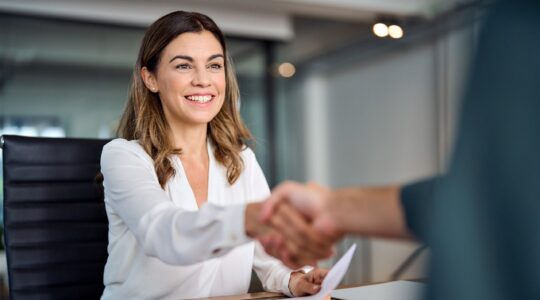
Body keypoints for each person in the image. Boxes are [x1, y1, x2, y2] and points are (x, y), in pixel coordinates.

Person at [261, 0, 540, 299]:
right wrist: (333, 207)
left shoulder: (520, 22)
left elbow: (486, 203)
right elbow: (486, 195)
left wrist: (332, 209)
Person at [99, 11, 331, 299]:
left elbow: (266, 253)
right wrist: (250, 218)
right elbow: (163, 234)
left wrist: (296, 279)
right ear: (151, 79)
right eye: (184, 66)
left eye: (214, 65)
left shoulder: (240, 159)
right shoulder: (124, 156)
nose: (203, 80)